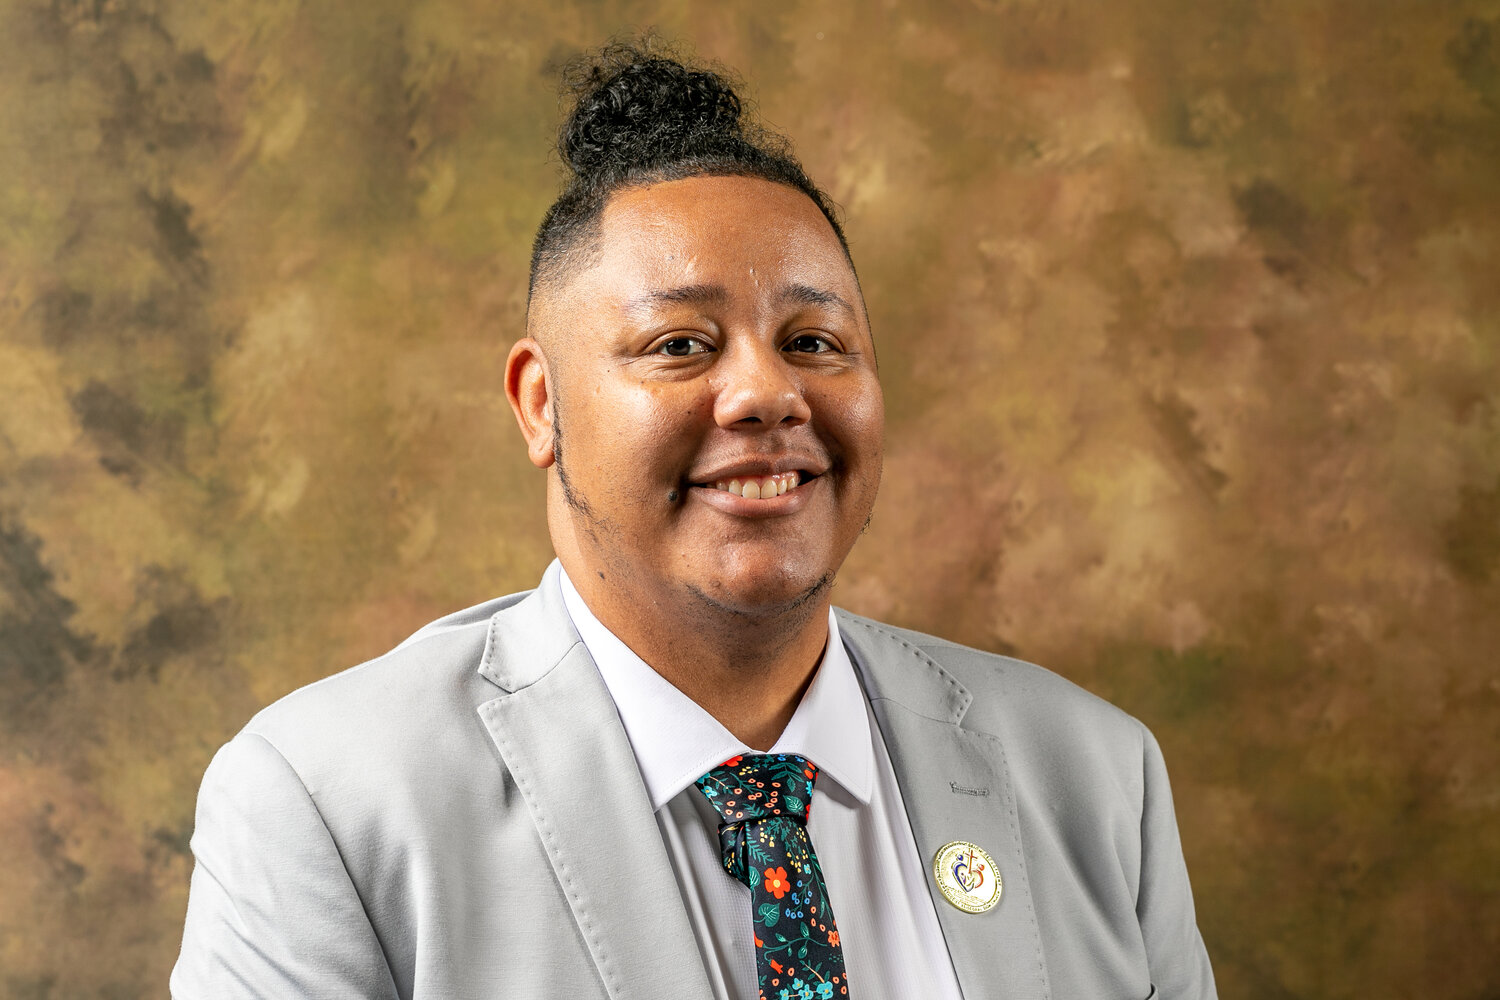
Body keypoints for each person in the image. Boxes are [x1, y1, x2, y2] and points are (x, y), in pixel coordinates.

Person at [172, 43, 1217, 1000]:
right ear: (541, 405)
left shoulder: (1093, 775)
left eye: (813, 341)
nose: (767, 393)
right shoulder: (328, 805)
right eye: (680, 344)